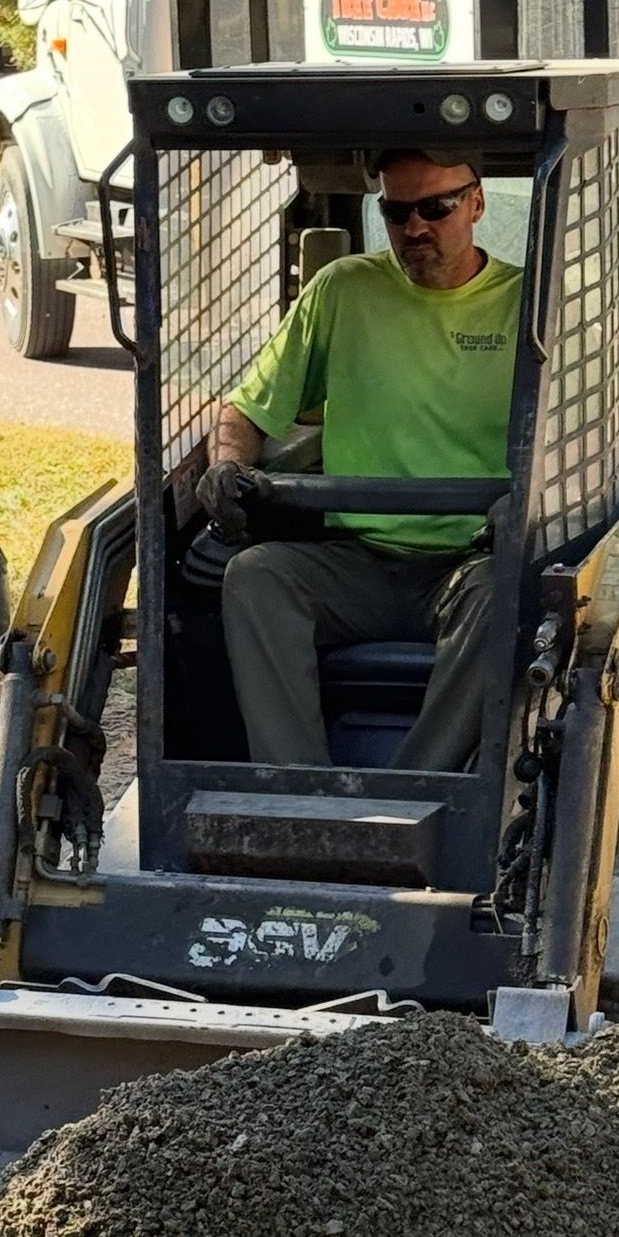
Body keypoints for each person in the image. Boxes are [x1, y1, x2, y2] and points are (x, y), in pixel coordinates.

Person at [195, 147, 522, 773]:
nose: (415, 227)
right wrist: (227, 466)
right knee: (256, 576)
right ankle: (297, 793)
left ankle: (416, 792)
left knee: (505, 592)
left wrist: (531, 509)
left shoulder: (529, 304)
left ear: (477, 204)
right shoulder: (343, 290)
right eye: (397, 213)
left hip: (470, 562)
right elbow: (248, 409)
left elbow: (575, 441)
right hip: (359, 561)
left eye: (436, 208)